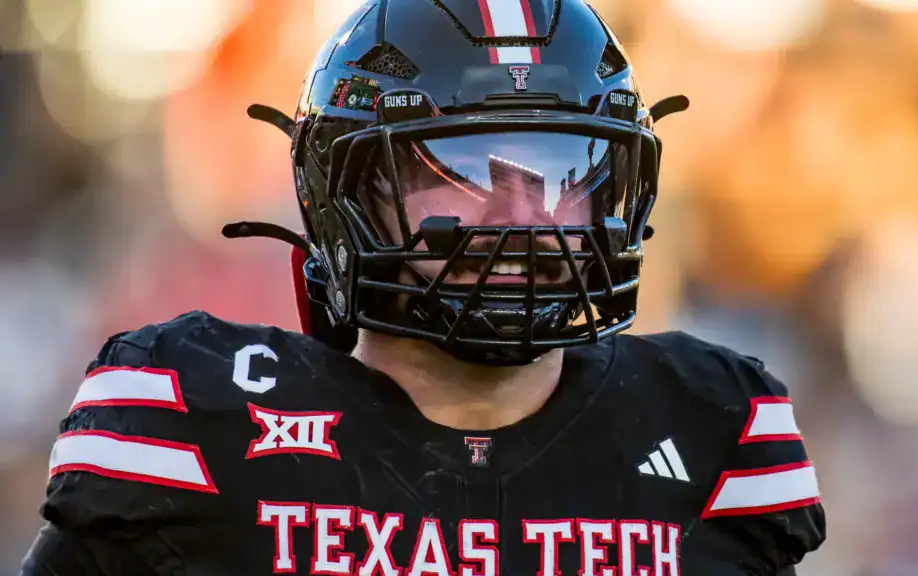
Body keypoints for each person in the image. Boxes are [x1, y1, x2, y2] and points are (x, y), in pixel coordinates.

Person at [21, 0, 825, 574]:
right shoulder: (200, 426)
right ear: (349, 188)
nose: (523, 219)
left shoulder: (711, 430)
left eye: (561, 173)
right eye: (470, 172)